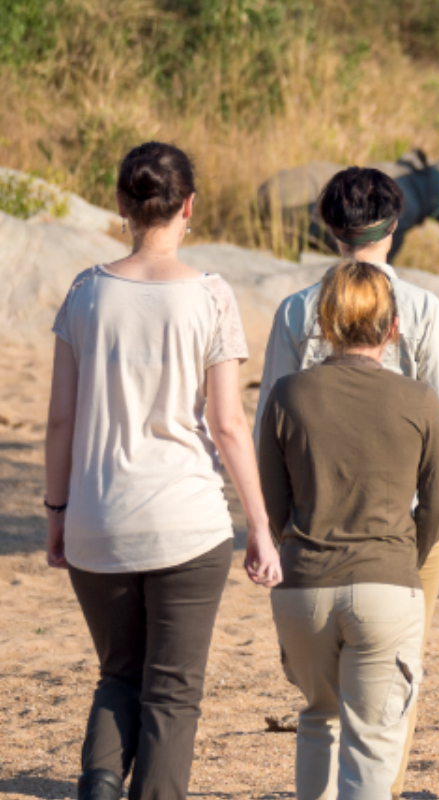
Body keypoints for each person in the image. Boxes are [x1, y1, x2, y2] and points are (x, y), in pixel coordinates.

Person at [255, 166, 439, 796]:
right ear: (396, 227)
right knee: (391, 681)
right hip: (405, 524)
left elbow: (269, 429)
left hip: (311, 522)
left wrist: (273, 528)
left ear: (329, 229)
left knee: (323, 702)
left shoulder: (294, 310)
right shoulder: (419, 307)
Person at [44, 141, 282, 800]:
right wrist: (260, 526)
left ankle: (97, 785)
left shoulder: (86, 293)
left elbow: (60, 422)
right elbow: (229, 424)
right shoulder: (210, 295)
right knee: (173, 694)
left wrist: (57, 514)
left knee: (118, 673)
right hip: (188, 524)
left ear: (122, 204)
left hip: (98, 517)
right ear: (189, 208)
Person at [258, 261, 439, 800]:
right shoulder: (419, 400)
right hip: (386, 583)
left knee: (318, 719)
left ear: (323, 321)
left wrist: (300, 544)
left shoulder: (286, 395)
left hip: (303, 587)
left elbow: (275, 504)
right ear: (392, 329)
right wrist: (403, 556)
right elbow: (437, 505)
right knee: (372, 738)